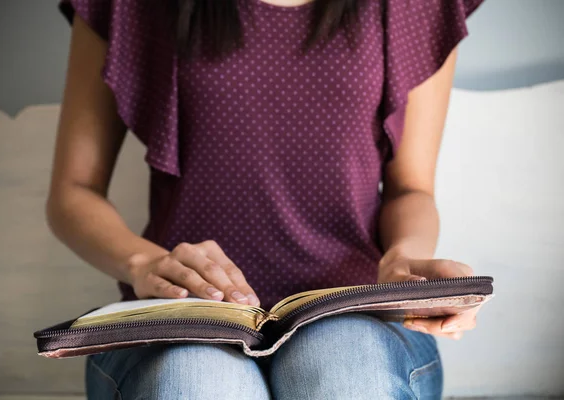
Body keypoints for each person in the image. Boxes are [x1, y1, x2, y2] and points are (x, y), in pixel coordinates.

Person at [47, 0, 484, 398]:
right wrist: (142, 264)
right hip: (180, 319)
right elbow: (73, 192)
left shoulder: (416, 6)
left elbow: (411, 189)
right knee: (195, 383)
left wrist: (403, 258)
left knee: (349, 378)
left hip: (359, 317)